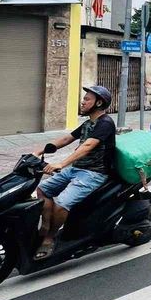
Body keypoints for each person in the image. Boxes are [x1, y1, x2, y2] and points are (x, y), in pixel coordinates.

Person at [33, 85, 116, 259]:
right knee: (42, 190)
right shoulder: (88, 123)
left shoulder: (105, 123)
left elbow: (88, 145)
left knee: (62, 203)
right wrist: (39, 151)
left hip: (94, 173)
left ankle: (50, 238)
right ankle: (46, 226)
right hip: (77, 169)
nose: (83, 102)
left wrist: (61, 163)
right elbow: (67, 138)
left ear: (98, 103)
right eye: (84, 99)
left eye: (87, 99)